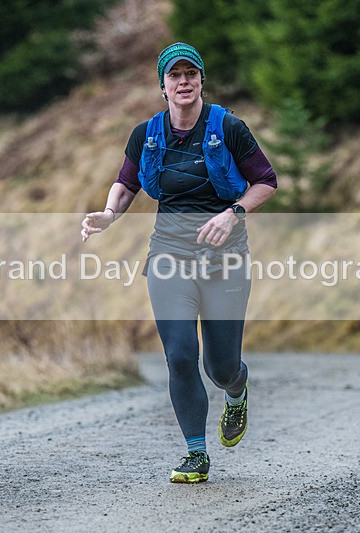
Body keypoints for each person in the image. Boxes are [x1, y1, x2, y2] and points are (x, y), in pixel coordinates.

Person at [81, 42, 277, 483]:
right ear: (163, 87)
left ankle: (237, 388)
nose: (184, 81)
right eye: (175, 75)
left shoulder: (229, 127)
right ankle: (195, 453)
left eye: (191, 74)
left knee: (219, 366)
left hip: (225, 257)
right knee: (181, 356)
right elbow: (126, 183)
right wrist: (109, 214)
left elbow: (266, 181)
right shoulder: (145, 134)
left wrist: (234, 213)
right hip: (169, 255)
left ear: (202, 81)